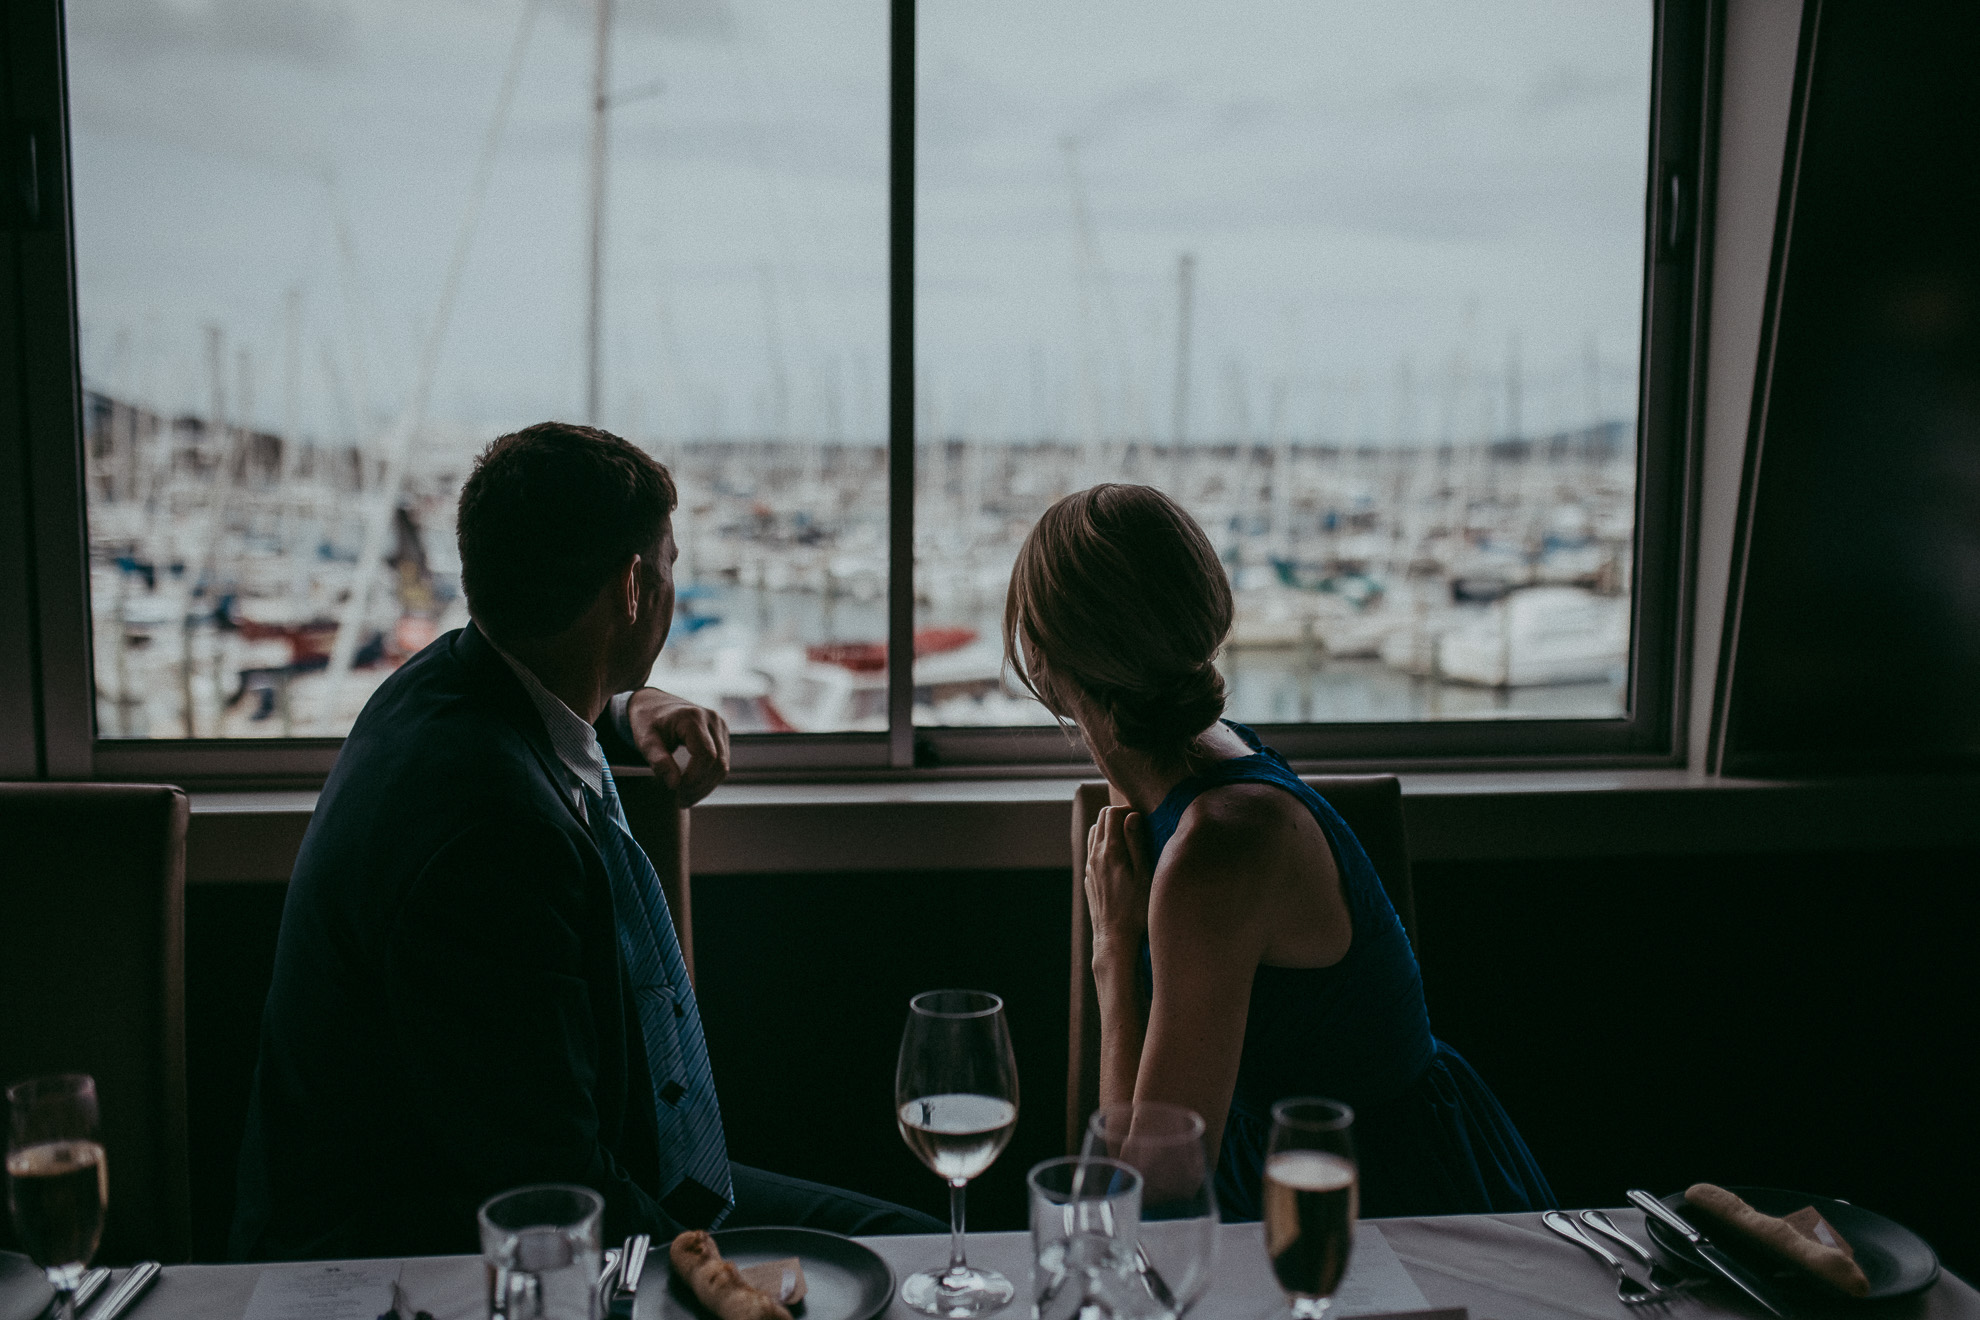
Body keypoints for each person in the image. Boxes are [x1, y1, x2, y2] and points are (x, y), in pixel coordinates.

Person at [233, 422, 936, 1261]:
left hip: (512, 1196)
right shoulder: (493, 839)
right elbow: (555, 1194)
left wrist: (626, 705)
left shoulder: (440, 688)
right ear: (634, 586)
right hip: (410, 1261)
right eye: (671, 564)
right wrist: (723, 1283)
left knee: (906, 1248)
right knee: (908, 1258)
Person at [1004, 483, 1554, 1220]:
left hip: (1381, 1205)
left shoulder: (1216, 848)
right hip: (1287, 1171)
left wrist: (1112, 951)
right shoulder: (1209, 766)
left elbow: (1149, 1185)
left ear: (1043, 660)